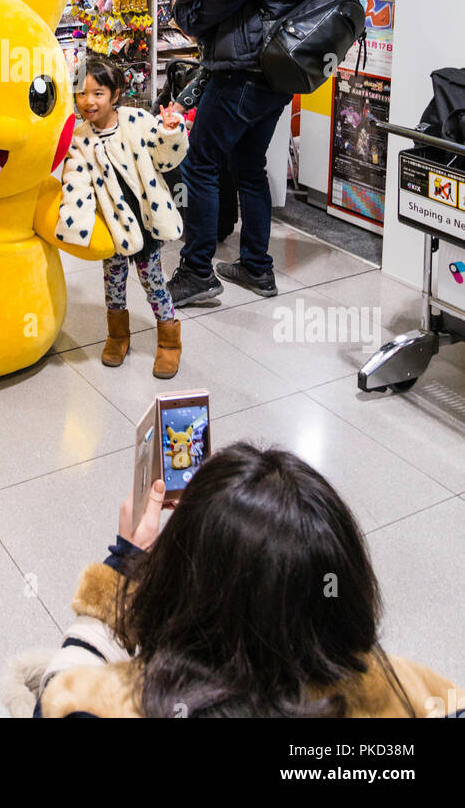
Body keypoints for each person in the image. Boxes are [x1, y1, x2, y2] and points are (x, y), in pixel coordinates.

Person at [30, 443, 464, 718]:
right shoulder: (406, 687)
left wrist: (124, 564)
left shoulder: (102, 703)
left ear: (181, 588)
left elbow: (54, 693)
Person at [168, 0, 328, 306]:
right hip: (281, 73)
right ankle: (257, 266)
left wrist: (189, 17)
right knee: (248, 165)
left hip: (243, 69)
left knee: (201, 163)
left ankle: (198, 271)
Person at [55, 58, 188, 379]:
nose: (89, 101)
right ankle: (117, 336)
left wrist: (171, 131)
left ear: (115, 95)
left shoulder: (138, 121)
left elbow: (164, 155)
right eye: (82, 94)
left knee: (154, 283)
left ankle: (169, 342)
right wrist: (75, 225)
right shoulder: (79, 138)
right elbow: (75, 182)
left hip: (146, 220)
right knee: (113, 284)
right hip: (112, 225)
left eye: (98, 93)